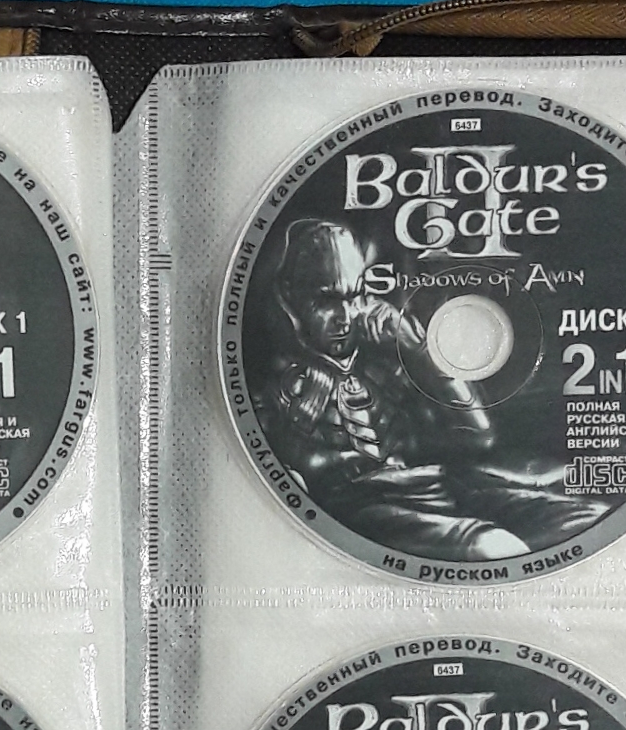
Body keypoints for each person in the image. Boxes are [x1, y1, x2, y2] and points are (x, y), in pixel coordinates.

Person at [255, 219, 604, 561]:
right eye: (326, 301)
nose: (346, 317)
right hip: (365, 511)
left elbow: (478, 437)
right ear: (291, 297)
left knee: (584, 520)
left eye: (356, 295)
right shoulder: (276, 388)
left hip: (441, 489)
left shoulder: (387, 367)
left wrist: (416, 348)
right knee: (491, 547)